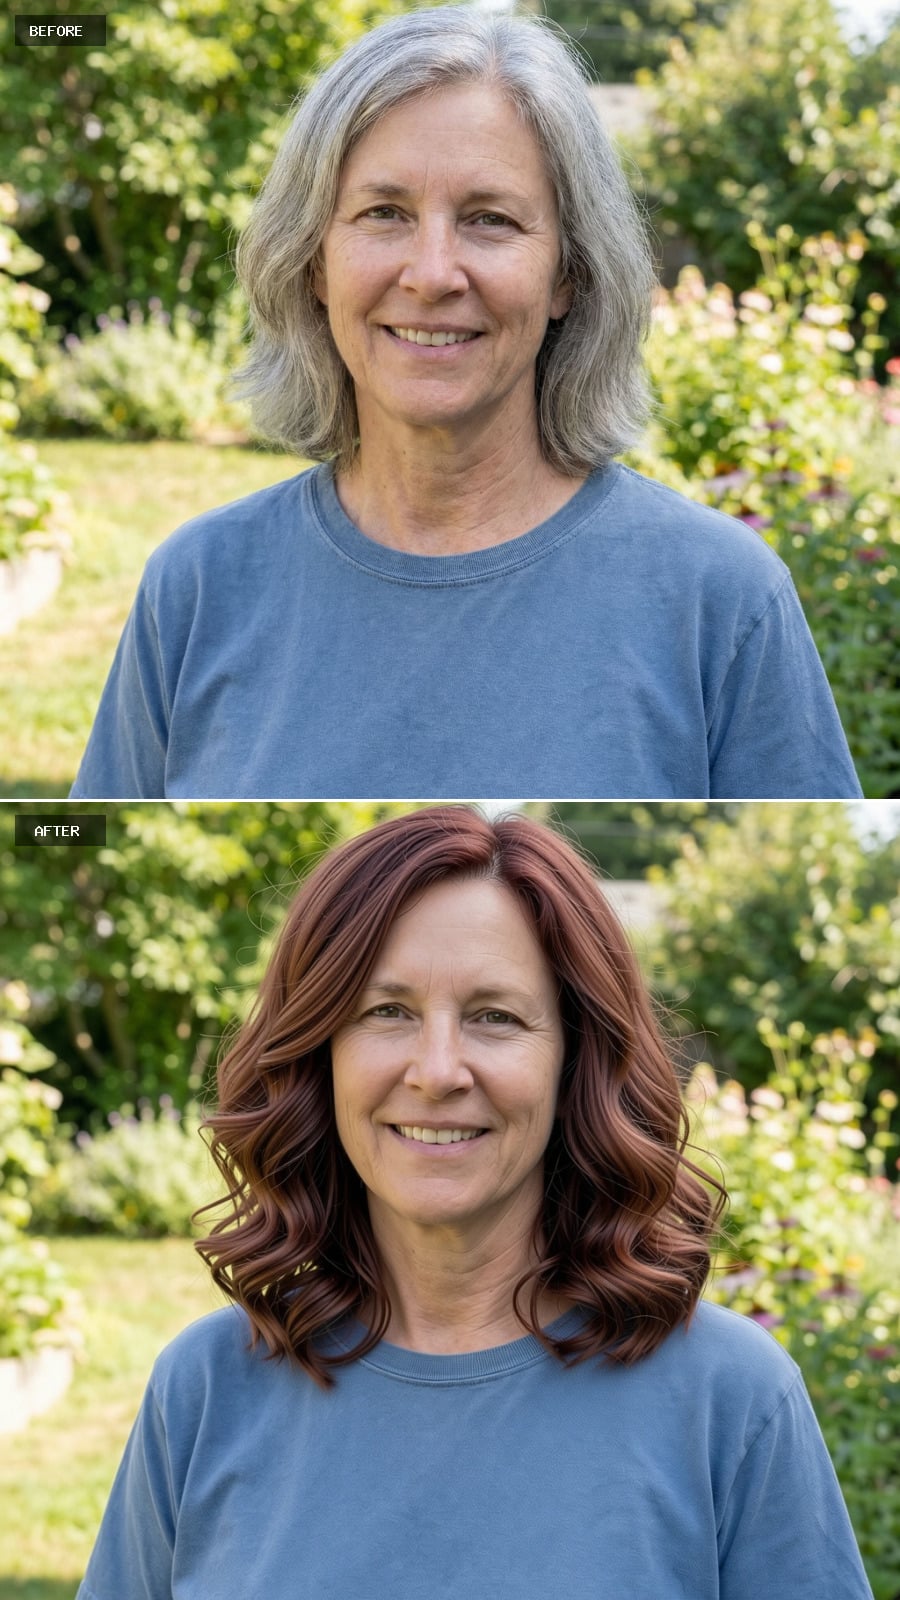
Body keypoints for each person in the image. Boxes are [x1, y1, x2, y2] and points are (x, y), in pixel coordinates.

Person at [77, 806, 874, 1600]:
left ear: (576, 1062)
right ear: (318, 1051)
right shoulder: (208, 1387)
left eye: (495, 1017)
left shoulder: (729, 1401)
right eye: (386, 1011)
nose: (437, 1071)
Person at [69, 7, 861, 801]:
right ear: (313, 262)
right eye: (385, 213)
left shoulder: (720, 600)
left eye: (491, 220)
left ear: (568, 276)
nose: (433, 272)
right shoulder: (199, 585)